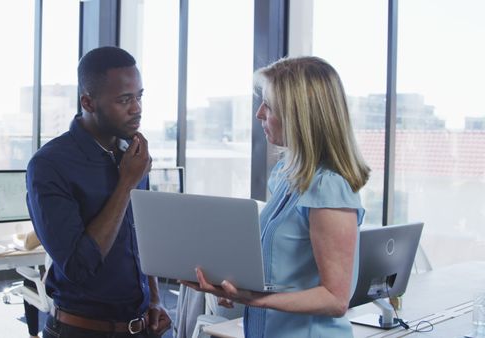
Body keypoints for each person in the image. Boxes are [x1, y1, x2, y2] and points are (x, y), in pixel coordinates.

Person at [182, 56, 370, 337]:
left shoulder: (329, 188)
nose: (259, 113)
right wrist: (238, 289)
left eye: (268, 105)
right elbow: (284, 274)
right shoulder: (288, 176)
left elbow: (335, 299)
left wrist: (252, 299)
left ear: (299, 115)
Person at [26, 46, 171, 337]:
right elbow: (79, 266)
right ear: (88, 102)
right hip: (82, 330)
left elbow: (142, 234)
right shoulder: (49, 165)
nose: (137, 108)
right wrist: (126, 184)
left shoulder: (132, 155)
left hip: (143, 328)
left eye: (139, 96)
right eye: (124, 99)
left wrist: (154, 297)